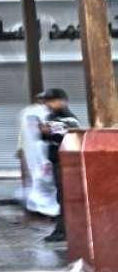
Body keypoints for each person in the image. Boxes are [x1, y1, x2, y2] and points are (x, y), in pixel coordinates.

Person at [38, 87, 81, 244]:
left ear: (61, 101)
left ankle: (63, 231)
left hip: (66, 163)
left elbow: (68, 138)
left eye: (50, 101)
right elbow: (44, 137)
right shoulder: (51, 117)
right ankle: (64, 229)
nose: (47, 104)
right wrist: (45, 132)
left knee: (65, 197)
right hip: (56, 161)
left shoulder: (69, 119)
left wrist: (50, 131)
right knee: (60, 197)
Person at [16, 93, 59, 218]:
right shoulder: (45, 113)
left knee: (39, 180)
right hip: (42, 152)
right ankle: (47, 210)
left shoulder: (26, 113)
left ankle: (40, 209)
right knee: (45, 181)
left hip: (35, 153)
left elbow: (23, 136)